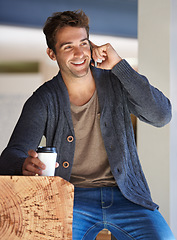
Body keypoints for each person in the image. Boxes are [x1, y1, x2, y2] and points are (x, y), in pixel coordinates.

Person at [0, 10, 175, 240]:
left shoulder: (116, 81)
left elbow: (161, 115)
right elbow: (10, 154)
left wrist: (120, 66)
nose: (79, 53)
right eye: (68, 46)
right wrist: (23, 164)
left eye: (83, 43)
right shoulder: (43, 99)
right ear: (52, 54)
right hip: (71, 197)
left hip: (127, 196)